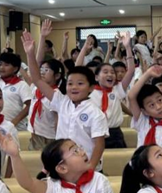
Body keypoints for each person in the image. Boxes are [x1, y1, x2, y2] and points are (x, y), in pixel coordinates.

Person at [21, 31, 107, 171]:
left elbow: (99, 144)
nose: (74, 87)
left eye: (80, 84)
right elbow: (37, 79)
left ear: (91, 88)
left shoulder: (95, 112)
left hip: (86, 167)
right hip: (62, 166)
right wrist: (30, 54)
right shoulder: (61, 101)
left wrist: (91, 166)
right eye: (70, 83)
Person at [0, 134, 116, 193]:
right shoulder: (54, 187)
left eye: (79, 148)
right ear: (62, 168)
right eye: (75, 151)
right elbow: (27, 183)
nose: (82, 152)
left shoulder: (99, 180)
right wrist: (15, 156)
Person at [0, 51, 32, 130]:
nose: (2, 67)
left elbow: (30, 105)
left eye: (6, 65)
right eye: (0, 64)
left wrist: (14, 122)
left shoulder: (21, 85)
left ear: (15, 68)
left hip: (16, 129)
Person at [28, 58, 65, 151]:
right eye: (41, 69)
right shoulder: (36, 89)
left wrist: (58, 140)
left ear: (57, 76)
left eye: (46, 70)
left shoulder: (56, 94)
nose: (42, 72)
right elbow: (34, 72)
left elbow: (58, 120)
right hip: (35, 133)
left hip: (50, 137)